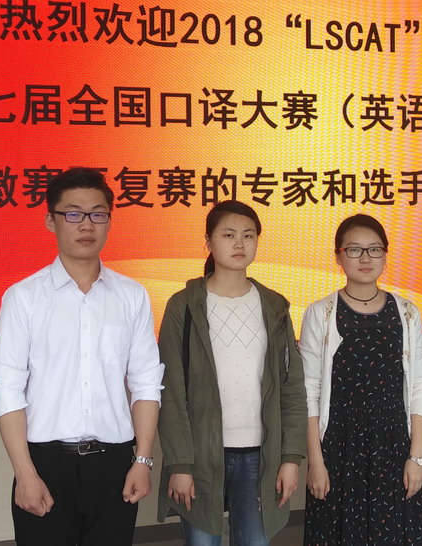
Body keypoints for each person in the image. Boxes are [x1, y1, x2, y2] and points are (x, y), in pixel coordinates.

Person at [0, 167, 164, 545]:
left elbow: (146, 383)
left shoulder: (131, 296)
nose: (86, 224)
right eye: (73, 213)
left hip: (115, 464)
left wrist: (143, 460)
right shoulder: (23, 297)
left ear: (109, 221)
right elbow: (8, 390)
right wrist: (25, 474)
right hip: (45, 464)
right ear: (50, 221)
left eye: (97, 214)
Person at [156, 200, 307, 545]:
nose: (240, 243)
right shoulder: (184, 305)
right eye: (228, 235)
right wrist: (180, 464)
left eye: (248, 235)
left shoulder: (274, 306)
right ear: (208, 242)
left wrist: (290, 458)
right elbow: (171, 390)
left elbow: (291, 387)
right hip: (201, 454)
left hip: (260, 455)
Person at [300, 213, 422, 545]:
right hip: (338, 446)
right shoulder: (320, 312)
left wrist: (417, 456)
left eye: (374, 249)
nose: (365, 258)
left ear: (385, 255)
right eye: (354, 250)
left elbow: (419, 387)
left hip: (394, 444)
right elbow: (309, 392)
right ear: (338, 256)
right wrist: (315, 462)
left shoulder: (407, 312)